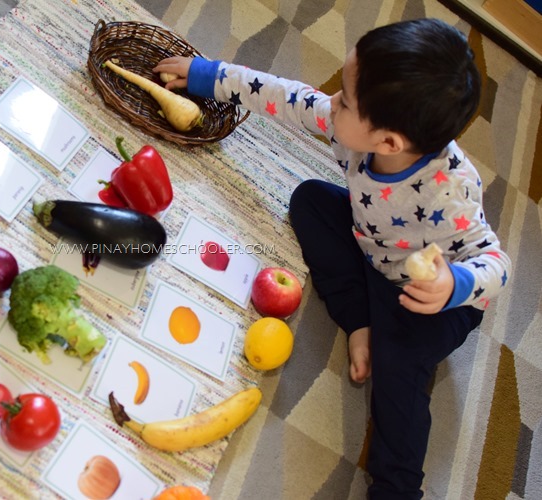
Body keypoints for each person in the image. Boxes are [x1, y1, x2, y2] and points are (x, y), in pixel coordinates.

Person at [155, 18, 511, 498]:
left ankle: (396, 488)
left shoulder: (453, 190)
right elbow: (283, 95)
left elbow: (498, 263)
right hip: (372, 247)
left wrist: (455, 285)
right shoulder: (352, 126)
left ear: (388, 143)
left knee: (399, 368)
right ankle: (360, 323)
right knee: (309, 200)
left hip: (431, 301)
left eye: (344, 100)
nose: (331, 102)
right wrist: (208, 75)